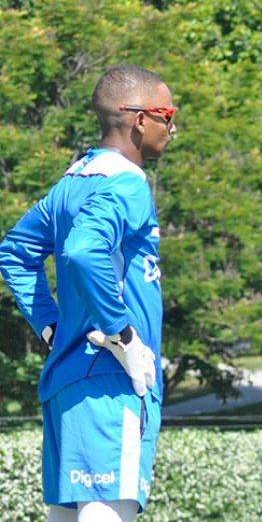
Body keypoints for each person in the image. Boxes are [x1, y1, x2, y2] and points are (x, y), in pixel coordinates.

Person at [0, 64, 177, 522]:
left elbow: (16, 251)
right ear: (140, 119)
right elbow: (81, 250)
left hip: (68, 382)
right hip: (113, 380)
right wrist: (125, 336)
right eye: (168, 114)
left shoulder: (70, 183)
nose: (173, 127)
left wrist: (52, 324)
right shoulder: (128, 183)